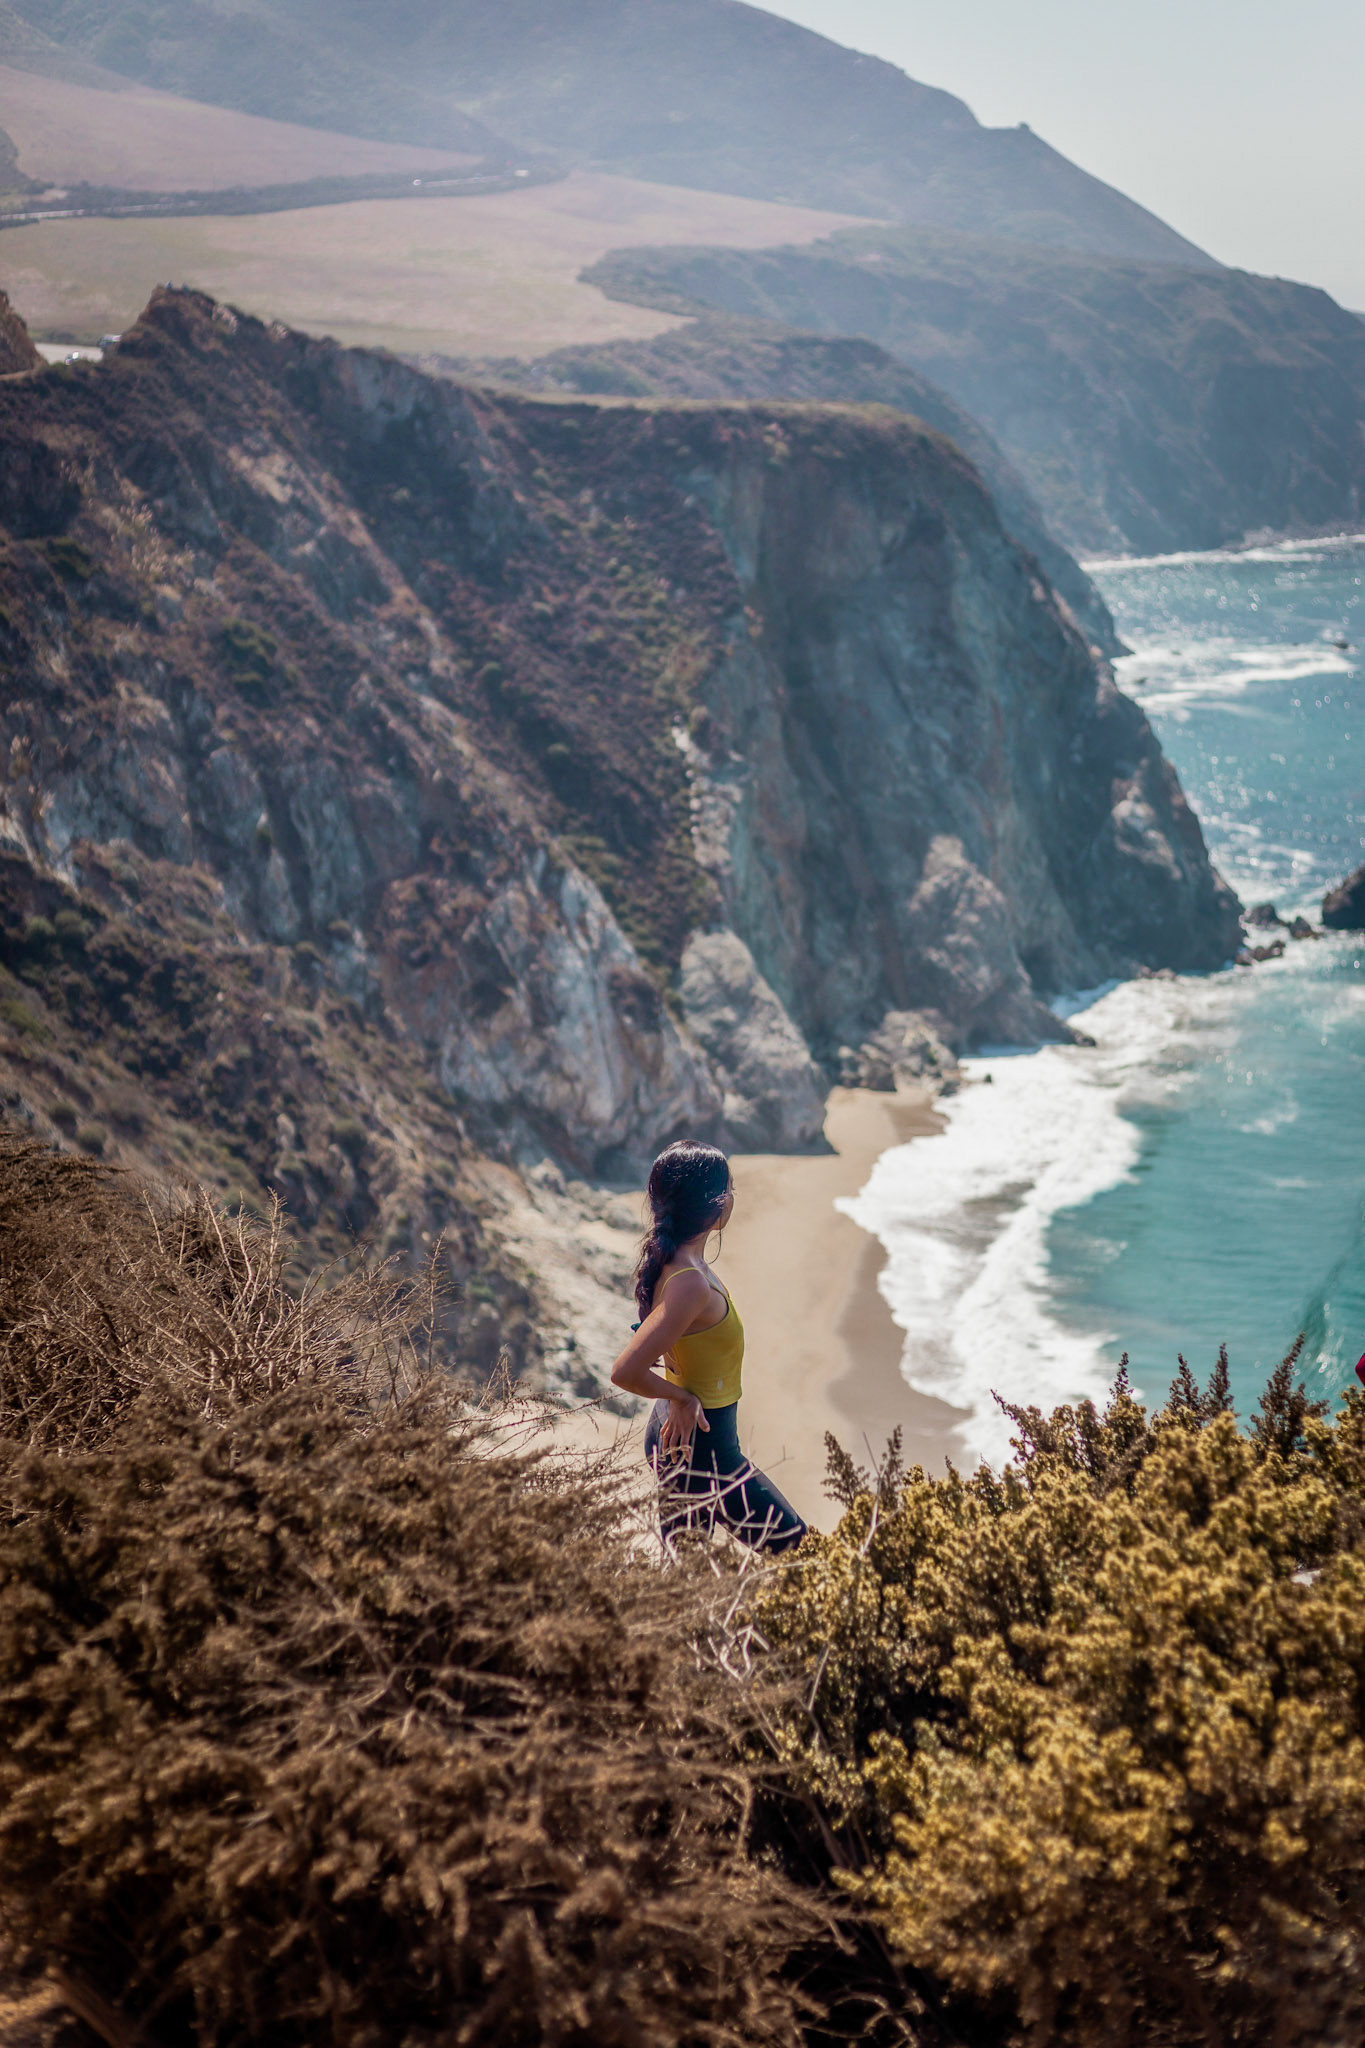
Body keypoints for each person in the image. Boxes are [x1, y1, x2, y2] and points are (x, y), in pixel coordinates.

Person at [609, 1138, 806, 1554]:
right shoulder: (690, 1283)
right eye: (729, 1188)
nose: (733, 1196)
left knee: (690, 1571)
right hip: (700, 1453)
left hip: (685, 1440)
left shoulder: (674, 1263)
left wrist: (676, 1394)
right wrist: (680, 1397)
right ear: (715, 1205)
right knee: (800, 1551)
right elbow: (625, 1371)